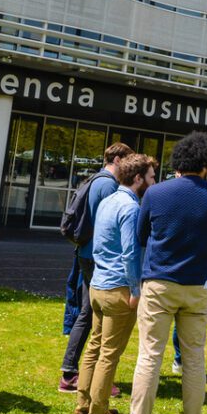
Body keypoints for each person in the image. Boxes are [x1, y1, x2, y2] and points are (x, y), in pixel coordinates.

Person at [120, 132, 207, 414]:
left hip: (159, 282)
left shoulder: (156, 193)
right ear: (206, 163)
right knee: (194, 359)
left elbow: (141, 236)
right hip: (197, 285)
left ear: (178, 162)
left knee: (149, 356)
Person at [76, 154, 157, 414]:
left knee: (94, 346)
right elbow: (130, 253)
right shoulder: (131, 208)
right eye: (151, 177)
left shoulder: (108, 201)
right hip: (118, 288)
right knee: (109, 354)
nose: (154, 182)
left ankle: (84, 402)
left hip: (98, 285)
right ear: (138, 179)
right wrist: (135, 290)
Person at [60, 142, 135, 393]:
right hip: (95, 258)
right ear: (117, 160)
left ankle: (72, 372)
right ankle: (81, 375)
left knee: (88, 312)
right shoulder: (108, 185)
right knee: (93, 316)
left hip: (87, 253)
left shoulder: (96, 180)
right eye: (127, 161)